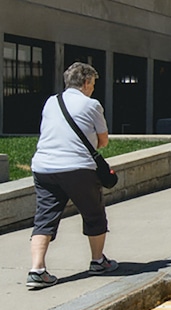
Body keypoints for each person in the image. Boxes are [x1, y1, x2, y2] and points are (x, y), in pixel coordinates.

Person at [27, 61, 119, 290]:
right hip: (77, 168)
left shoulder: (51, 102)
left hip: (43, 167)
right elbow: (103, 141)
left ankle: (37, 269)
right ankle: (98, 261)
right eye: (93, 84)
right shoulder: (92, 105)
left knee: (45, 216)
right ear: (86, 82)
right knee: (93, 213)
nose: (93, 88)